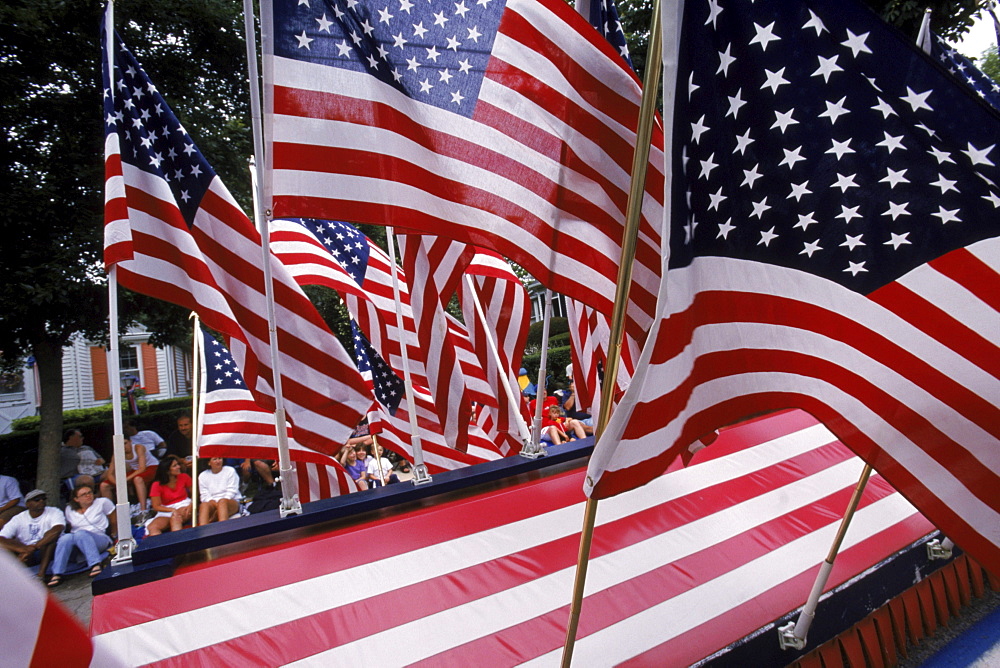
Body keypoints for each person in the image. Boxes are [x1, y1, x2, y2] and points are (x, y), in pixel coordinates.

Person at [48, 483, 116, 586]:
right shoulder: (69, 509)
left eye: (90, 493)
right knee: (66, 537)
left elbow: (114, 519)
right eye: (84, 494)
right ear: (76, 499)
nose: (88, 495)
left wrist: (115, 535)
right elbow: (70, 528)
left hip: (99, 538)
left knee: (81, 533)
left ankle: (95, 564)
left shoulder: (102, 502)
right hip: (78, 541)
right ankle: (57, 573)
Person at [0, 490, 63, 578]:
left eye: (43, 499)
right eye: (37, 500)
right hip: (27, 554)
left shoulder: (54, 512)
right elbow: (1, 538)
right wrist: (22, 549)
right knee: (5, 546)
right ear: (27, 504)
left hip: (45, 550)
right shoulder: (18, 518)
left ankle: (41, 575)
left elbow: (57, 530)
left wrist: (34, 547)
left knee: (50, 541)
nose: (41, 501)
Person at [100, 435, 158, 519]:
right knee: (104, 485)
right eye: (120, 444)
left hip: (151, 467)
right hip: (135, 470)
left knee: (137, 479)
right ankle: (111, 515)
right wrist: (117, 483)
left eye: (125, 443)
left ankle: (143, 510)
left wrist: (125, 480)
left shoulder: (138, 447)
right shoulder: (117, 453)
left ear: (130, 442)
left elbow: (142, 468)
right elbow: (110, 473)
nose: (123, 447)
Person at [146, 456, 193, 536]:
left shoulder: (184, 477)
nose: (179, 467)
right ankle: (159, 547)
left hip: (183, 504)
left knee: (175, 518)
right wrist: (172, 510)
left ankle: (177, 543)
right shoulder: (156, 485)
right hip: (166, 509)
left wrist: (191, 505)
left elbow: (195, 494)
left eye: (178, 464)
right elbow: (156, 506)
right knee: (152, 527)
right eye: (175, 466)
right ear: (167, 471)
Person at [198, 457, 241, 525]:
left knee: (222, 502)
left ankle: (223, 529)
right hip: (213, 502)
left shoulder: (230, 470)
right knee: (204, 505)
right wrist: (215, 504)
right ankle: (203, 531)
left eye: (220, 458)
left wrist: (220, 504)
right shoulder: (203, 475)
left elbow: (232, 491)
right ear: (209, 462)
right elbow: (204, 494)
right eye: (215, 459)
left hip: (230, 501)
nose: (218, 461)